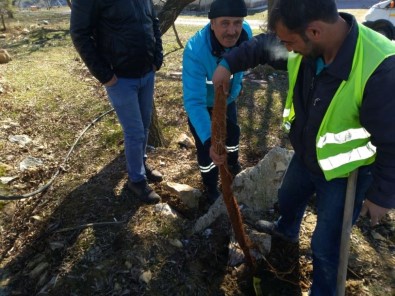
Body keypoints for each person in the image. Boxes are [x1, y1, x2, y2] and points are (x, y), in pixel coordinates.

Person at [210, 0, 395, 294]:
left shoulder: (381, 68)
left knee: (326, 245)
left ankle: (323, 289)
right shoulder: (305, 43)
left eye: (290, 42)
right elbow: (263, 46)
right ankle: (285, 236)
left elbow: (392, 140)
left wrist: (383, 195)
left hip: (345, 172)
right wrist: (227, 64)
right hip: (308, 155)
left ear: (315, 32)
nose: (287, 48)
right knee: (288, 197)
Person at [70, 0, 164, 204]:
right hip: (120, 78)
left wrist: (157, 58)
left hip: (147, 72)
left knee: (145, 126)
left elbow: (154, 22)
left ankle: (141, 164)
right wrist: (105, 75)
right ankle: (136, 181)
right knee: (135, 132)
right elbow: (79, 34)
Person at [182, 0, 253, 203]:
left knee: (233, 135)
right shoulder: (196, 51)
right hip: (204, 106)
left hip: (228, 101)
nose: (232, 31)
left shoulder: (246, 33)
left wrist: (235, 91)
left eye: (237, 22)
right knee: (208, 152)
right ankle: (211, 186)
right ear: (212, 23)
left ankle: (233, 164)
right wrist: (209, 139)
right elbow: (194, 102)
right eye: (225, 23)